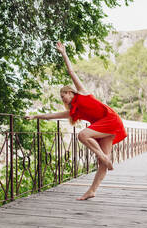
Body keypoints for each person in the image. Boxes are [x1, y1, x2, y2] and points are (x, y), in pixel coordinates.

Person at [25, 42, 127, 200]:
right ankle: (92, 190)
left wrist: (63, 54)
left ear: (69, 92)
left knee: (83, 135)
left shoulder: (82, 93)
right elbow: (51, 115)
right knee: (102, 162)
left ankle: (104, 157)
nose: (62, 98)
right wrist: (35, 116)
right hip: (105, 126)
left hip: (111, 119)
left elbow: (71, 71)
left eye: (63, 95)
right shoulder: (73, 112)